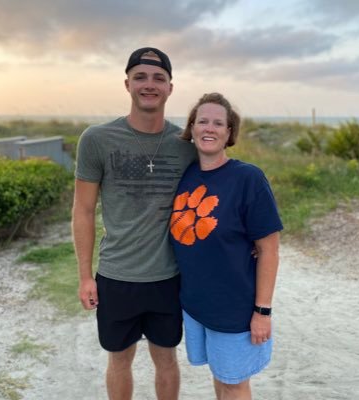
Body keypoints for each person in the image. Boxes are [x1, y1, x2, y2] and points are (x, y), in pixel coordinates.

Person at [71, 47, 196, 400]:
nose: (149, 84)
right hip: (116, 276)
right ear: (127, 84)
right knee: (119, 360)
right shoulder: (96, 140)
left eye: (158, 78)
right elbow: (82, 209)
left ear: (171, 87)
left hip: (168, 277)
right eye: (140, 77)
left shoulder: (185, 145)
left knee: (167, 359)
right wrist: (84, 275)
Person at [170, 92, 283, 400]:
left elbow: (270, 250)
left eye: (218, 123)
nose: (210, 128)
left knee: (234, 384)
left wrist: (262, 311)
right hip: (196, 305)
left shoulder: (248, 178)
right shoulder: (187, 174)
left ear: (229, 132)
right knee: (220, 377)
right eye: (202, 121)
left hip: (234, 309)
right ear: (191, 128)